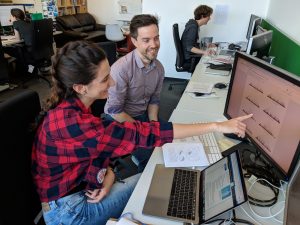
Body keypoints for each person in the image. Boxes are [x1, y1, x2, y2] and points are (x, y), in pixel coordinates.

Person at [32, 40, 251, 225]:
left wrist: (108, 174)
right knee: (163, 184)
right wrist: (215, 126)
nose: (114, 82)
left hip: (80, 189)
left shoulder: (72, 105)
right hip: (70, 212)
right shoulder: (73, 123)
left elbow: (91, 149)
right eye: (105, 79)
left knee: (161, 180)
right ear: (81, 87)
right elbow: (142, 134)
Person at [104, 14, 164, 170]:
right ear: (134, 41)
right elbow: (115, 111)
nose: (154, 44)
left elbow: (154, 101)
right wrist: (143, 130)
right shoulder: (121, 69)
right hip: (120, 119)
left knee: (169, 141)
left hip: (143, 116)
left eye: (156, 38)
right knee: (150, 160)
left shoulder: (159, 68)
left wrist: (153, 123)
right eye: (146, 40)